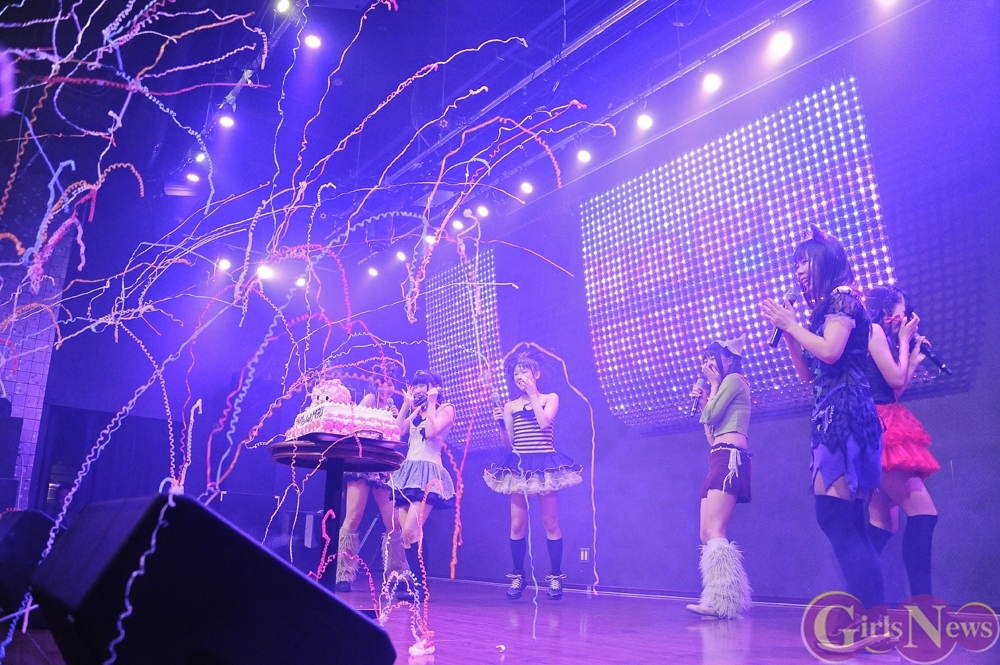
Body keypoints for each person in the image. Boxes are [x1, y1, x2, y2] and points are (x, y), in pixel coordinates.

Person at [761, 225, 885, 610]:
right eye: (795, 264)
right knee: (849, 520)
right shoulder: (826, 307)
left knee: (834, 515)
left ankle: (873, 619)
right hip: (833, 412)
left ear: (826, 260)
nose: (798, 271)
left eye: (803, 262)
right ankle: (872, 618)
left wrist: (792, 325)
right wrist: (791, 335)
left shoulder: (843, 296)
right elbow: (809, 373)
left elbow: (831, 351)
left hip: (846, 412)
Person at [484, 353, 583, 601]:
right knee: (517, 525)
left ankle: (555, 576)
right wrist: (500, 425)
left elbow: (543, 422)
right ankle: (518, 575)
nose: (520, 377)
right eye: (516, 373)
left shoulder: (550, 398)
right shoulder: (510, 406)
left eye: (524, 371)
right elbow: (509, 444)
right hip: (519, 465)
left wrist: (532, 395)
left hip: (545, 465)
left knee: (550, 522)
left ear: (536, 374)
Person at [864, 285, 940, 597]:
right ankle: (923, 603)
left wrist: (913, 360)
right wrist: (906, 342)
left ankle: (859, 602)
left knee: (882, 523)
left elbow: (894, 389)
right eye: (902, 312)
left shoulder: (881, 338)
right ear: (886, 311)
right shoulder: (872, 331)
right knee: (924, 514)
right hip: (881, 427)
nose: (906, 319)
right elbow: (894, 381)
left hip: (883, 419)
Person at [685, 335, 753, 619]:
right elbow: (711, 434)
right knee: (706, 533)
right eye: (706, 359)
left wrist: (712, 389)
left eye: (713, 357)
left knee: (715, 529)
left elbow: (711, 417)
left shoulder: (734, 380)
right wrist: (705, 402)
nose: (708, 364)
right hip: (719, 455)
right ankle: (721, 598)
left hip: (731, 458)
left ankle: (724, 601)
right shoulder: (724, 386)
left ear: (729, 359)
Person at [391, 369, 456, 611]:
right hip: (408, 472)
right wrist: (406, 404)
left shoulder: (446, 408)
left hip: (429, 472)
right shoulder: (416, 410)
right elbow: (396, 432)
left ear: (435, 387)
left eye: (423, 385)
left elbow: (430, 433)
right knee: (407, 535)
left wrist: (430, 402)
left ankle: (420, 586)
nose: (418, 389)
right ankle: (416, 584)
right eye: (416, 385)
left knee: (411, 529)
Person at [335, 380, 407, 593]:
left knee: (394, 521)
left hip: (383, 466)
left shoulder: (391, 406)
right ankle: (343, 573)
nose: (387, 388)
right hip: (363, 464)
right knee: (353, 516)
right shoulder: (369, 400)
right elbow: (356, 429)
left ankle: (397, 572)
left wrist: (398, 414)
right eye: (383, 383)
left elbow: (397, 434)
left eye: (390, 384)